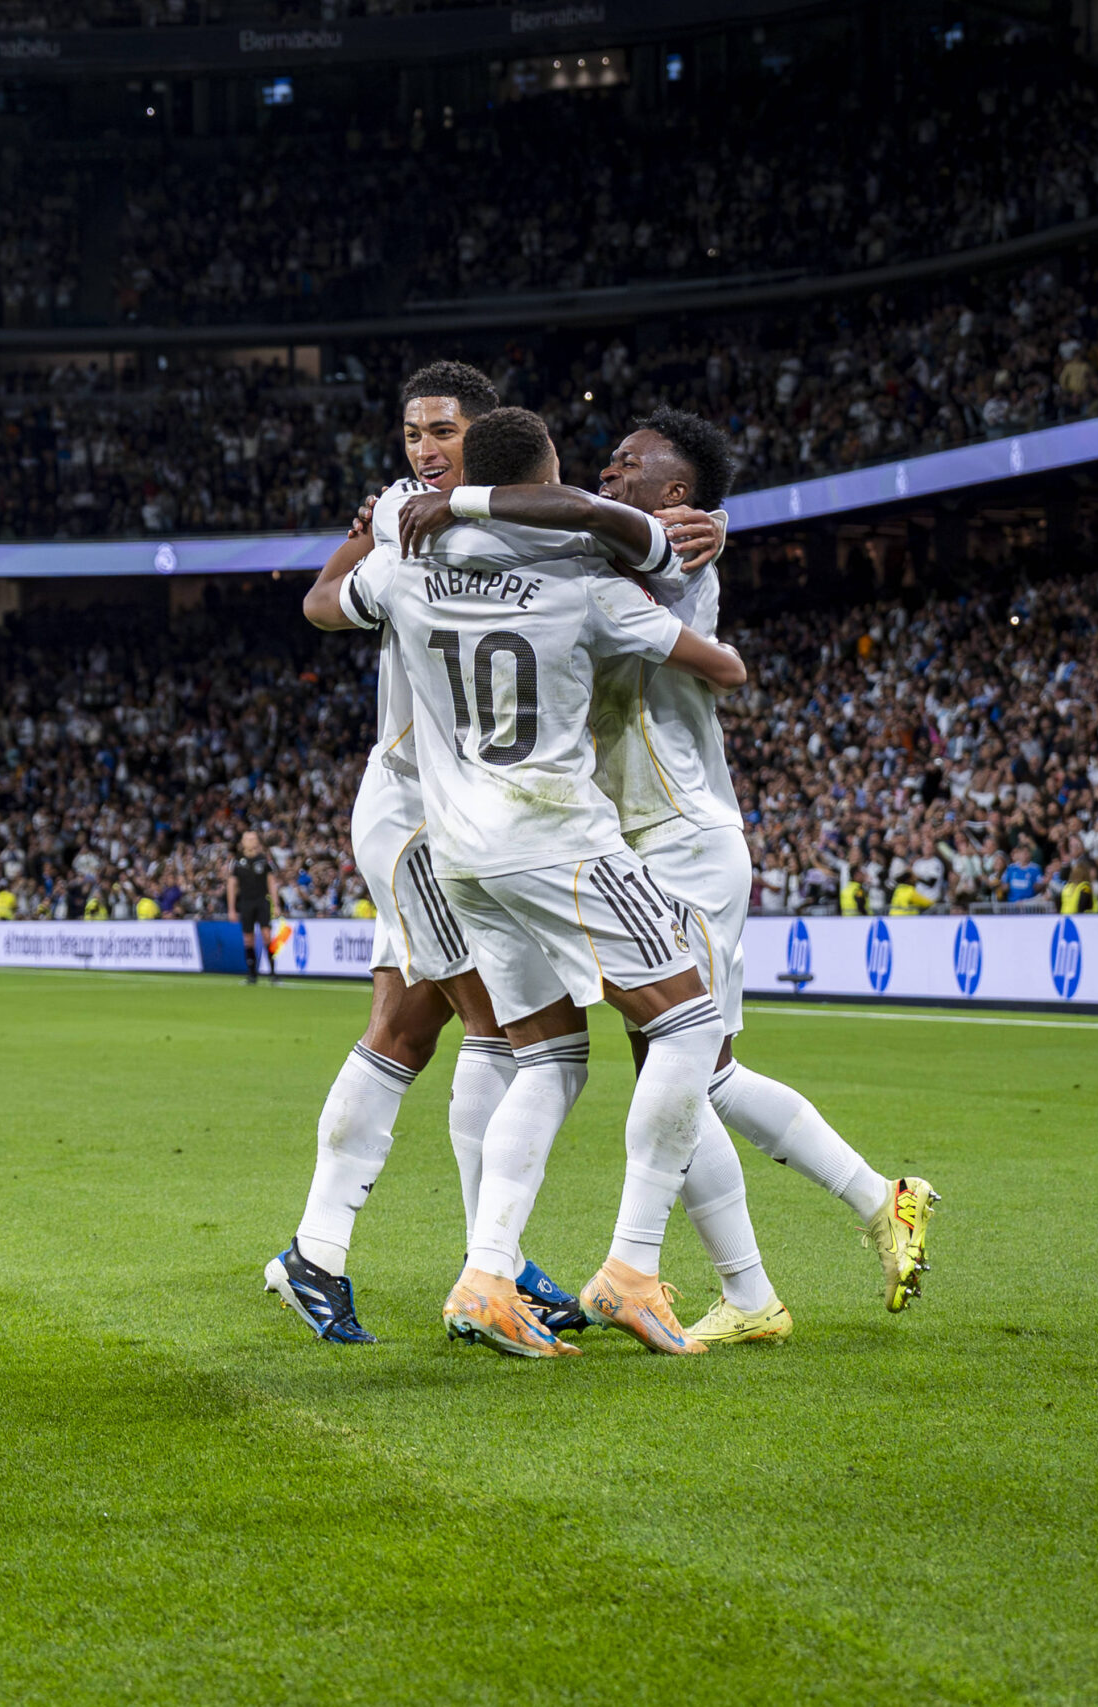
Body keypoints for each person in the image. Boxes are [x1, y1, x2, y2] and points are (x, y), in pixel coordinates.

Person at [314, 406, 748, 1358]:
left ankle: (487, 1275)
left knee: (545, 1053)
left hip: (457, 851)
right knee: (687, 1020)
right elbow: (722, 664)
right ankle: (633, 1264)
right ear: (549, 478)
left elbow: (320, 605)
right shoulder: (583, 570)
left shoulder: (402, 557)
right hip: (558, 835)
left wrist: (390, 518)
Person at [589, 412, 939, 1338]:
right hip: (649, 837)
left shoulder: (669, 548)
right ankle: (826, 1239)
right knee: (695, 1069)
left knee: (683, 1061)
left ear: (677, 495)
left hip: (682, 837)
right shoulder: (648, 536)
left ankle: (751, 1273)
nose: (608, 468)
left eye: (631, 461)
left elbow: (577, 523)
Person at [263, 359, 574, 1346]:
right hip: (419, 825)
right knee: (508, 1036)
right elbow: (319, 606)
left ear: (487, 435)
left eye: (442, 431)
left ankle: (321, 1254)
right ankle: (493, 1265)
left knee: (404, 1034)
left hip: (460, 826)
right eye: (412, 435)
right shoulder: (406, 525)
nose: (425, 450)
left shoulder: (518, 524)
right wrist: (365, 532)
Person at [226, 829, 275, 983]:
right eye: (247, 838)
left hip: (262, 901)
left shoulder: (264, 860)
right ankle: (252, 974)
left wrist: (276, 904)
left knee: (267, 935)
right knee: (248, 938)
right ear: (242, 842)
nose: (250, 841)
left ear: (257, 841)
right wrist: (231, 909)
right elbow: (231, 885)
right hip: (246, 902)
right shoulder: (237, 861)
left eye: (253, 838)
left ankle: (273, 972)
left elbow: (271, 882)